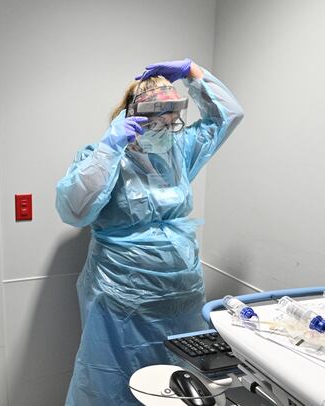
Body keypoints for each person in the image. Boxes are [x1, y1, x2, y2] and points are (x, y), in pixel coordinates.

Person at [55, 58, 244, 405]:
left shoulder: (179, 150)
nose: (169, 129)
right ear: (136, 117)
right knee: (115, 382)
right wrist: (109, 149)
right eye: (160, 122)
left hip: (181, 295)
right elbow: (75, 210)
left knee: (179, 380)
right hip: (122, 300)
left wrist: (193, 73)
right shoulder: (103, 155)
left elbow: (227, 116)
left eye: (175, 122)